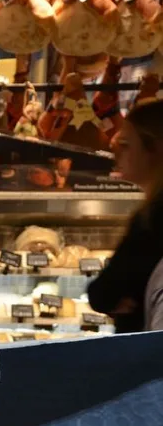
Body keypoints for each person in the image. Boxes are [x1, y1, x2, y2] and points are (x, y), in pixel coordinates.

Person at [89, 99, 163, 332]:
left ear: (154, 149)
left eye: (125, 145)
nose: (116, 153)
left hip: (148, 358)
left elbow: (104, 293)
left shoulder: (155, 219)